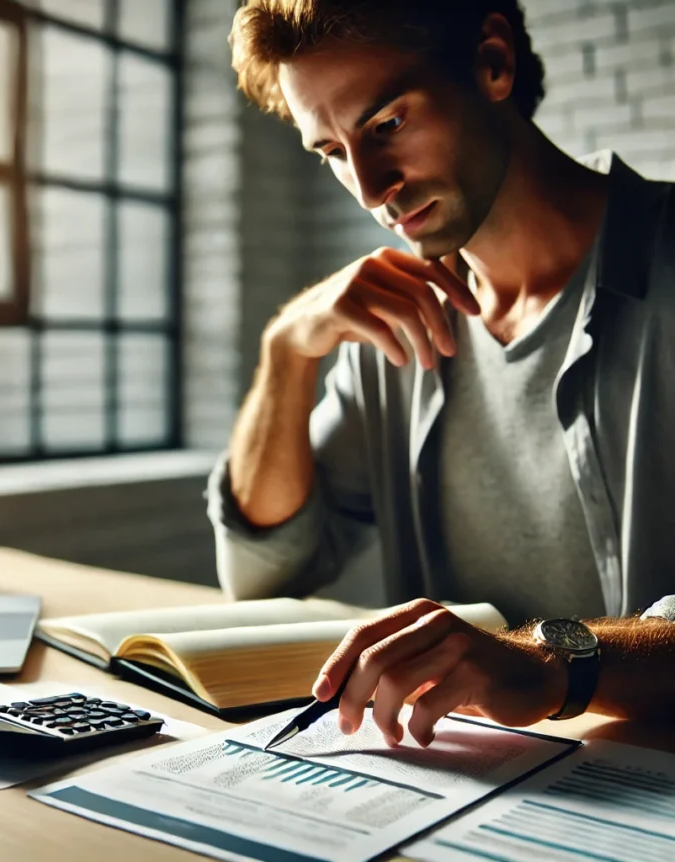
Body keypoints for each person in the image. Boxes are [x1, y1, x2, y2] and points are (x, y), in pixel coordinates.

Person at [206, 0, 675, 747]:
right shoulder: (390, 328)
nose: (368, 187)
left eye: (386, 123)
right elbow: (263, 572)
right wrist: (287, 350)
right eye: (330, 151)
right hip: (467, 791)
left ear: (493, 63)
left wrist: (550, 662)